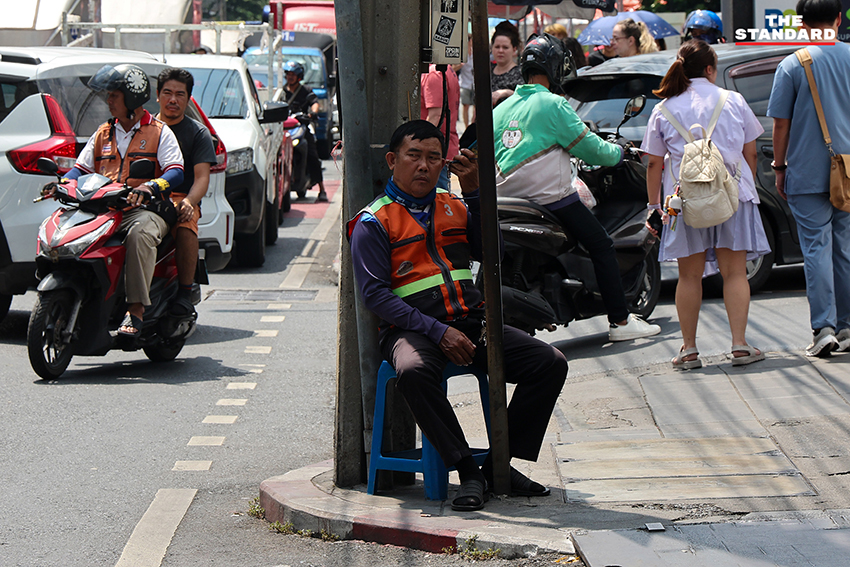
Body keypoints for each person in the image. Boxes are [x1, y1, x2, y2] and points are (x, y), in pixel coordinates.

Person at [348, 120, 568, 511]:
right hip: (410, 330)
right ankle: (467, 470)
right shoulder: (373, 222)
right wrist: (436, 331)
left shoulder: (456, 205)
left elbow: (493, 254)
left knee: (549, 363)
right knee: (414, 371)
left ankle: (501, 465)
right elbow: (374, 296)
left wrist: (476, 192)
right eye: (413, 156)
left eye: (434, 158)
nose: (424, 166)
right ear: (392, 161)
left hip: (468, 323)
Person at [494, 34, 661, 343]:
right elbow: (591, 148)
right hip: (550, 199)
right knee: (601, 244)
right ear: (557, 67)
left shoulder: (502, 109)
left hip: (505, 200)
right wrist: (619, 153)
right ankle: (621, 321)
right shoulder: (554, 104)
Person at [642, 39, 769, 368]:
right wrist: (743, 184)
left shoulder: (664, 108)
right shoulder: (734, 100)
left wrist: (654, 205)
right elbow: (750, 151)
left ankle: (689, 349)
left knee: (688, 276)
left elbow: (654, 163)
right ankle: (740, 345)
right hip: (733, 196)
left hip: (684, 202)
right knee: (734, 272)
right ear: (711, 69)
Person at [45, 64, 184, 337]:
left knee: (140, 235)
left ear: (131, 99)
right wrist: (61, 183)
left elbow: (176, 172)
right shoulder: (104, 133)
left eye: (114, 96)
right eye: (108, 96)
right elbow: (81, 169)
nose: (108, 101)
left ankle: (136, 310)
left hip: (143, 209)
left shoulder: (159, 132)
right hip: (103, 208)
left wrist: (151, 186)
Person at [767, 0, 850, 356]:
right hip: (848, 171)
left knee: (817, 247)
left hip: (806, 171)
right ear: (838, 19)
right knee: (845, 250)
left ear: (801, 24)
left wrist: (780, 167)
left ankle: (824, 328)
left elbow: (781, 124)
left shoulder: (792, 64)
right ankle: (847, 326)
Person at [155, 67, 217, 315]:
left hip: (180, 198)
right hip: (145, 197)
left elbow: (202, 177)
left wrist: (190, 201)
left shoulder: (198, 133)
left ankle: (184, 290)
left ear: (188, 98)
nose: (173, 100)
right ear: (158, 95)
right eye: (167, 93)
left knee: (185, 224)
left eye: (180, 94)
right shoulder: (145, 129)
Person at [283, 60, 328, 202]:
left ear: (299, 76)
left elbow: (314, 103)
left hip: (300, 128)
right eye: (288, 74)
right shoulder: (281, 92)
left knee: (313, 155)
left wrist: (312, 113)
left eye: (293, 74)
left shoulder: (306, 91)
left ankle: (322, 189)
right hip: (285, 130)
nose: (290, 77)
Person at [420, 63, 460, 190]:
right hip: (443, 146)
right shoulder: (446, 69)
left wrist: (419, 145)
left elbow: (435, 116)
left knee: (437, 200)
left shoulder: (434, 73)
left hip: (434, 151)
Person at [490, 21, 524, 107]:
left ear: (514, 49)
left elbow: (525, 101)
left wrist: (506, 93)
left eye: (505, 47)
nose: (500, 51)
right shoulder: (487, 71)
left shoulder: (520, 73)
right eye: (497, 47)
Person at [453, 35, 475, 129]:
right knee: (465, 105)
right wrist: (461, 64)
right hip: (465, 83)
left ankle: (473, 125)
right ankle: (466, 127)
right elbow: (453, 68)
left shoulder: (476, 53)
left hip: (474, 84)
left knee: (475, 106)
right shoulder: (462, 54)